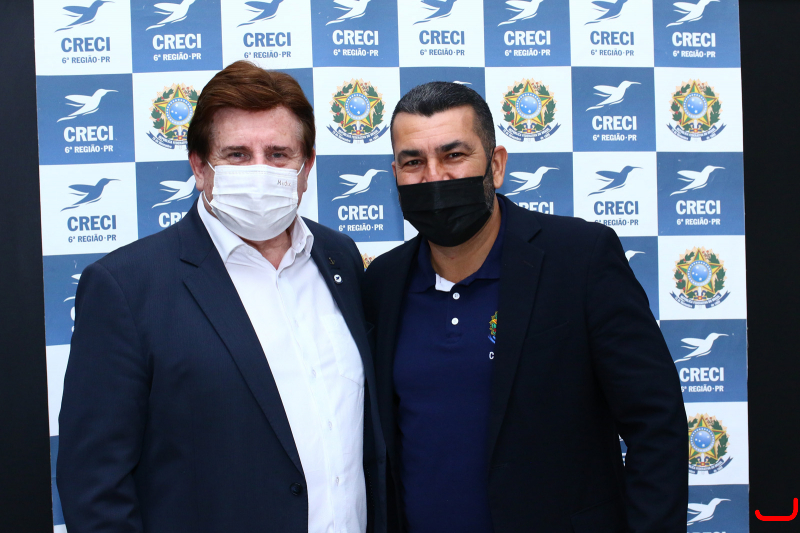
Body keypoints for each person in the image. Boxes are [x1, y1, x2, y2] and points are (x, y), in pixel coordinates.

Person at [57, 61, 386, 533]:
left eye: (278, 154)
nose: (260, 171)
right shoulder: (126, 287)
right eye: (237, 154)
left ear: (307, 167)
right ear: (199, 167)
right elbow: (94, 487)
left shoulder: (340, 259)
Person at [362, 81, 687, 532]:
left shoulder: (580, 258)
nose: (434, 177)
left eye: (454, 155)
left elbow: (656, 424)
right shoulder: (382, 282)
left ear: (495, 166)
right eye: (413, 162)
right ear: (395, 173)